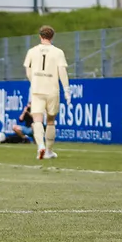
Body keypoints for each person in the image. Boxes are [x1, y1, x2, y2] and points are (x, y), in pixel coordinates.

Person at [24, 25, 71, 160]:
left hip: (37, 89)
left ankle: (40, 146)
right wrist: (67, 90)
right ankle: (49, 150)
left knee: (37, 119)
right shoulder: (58, 52)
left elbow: (28, 71)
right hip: (52, 90)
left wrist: (35, 81)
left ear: (40, 36)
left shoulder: (32, 51)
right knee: (50, 121)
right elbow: (62, 71)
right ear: (52, 37)